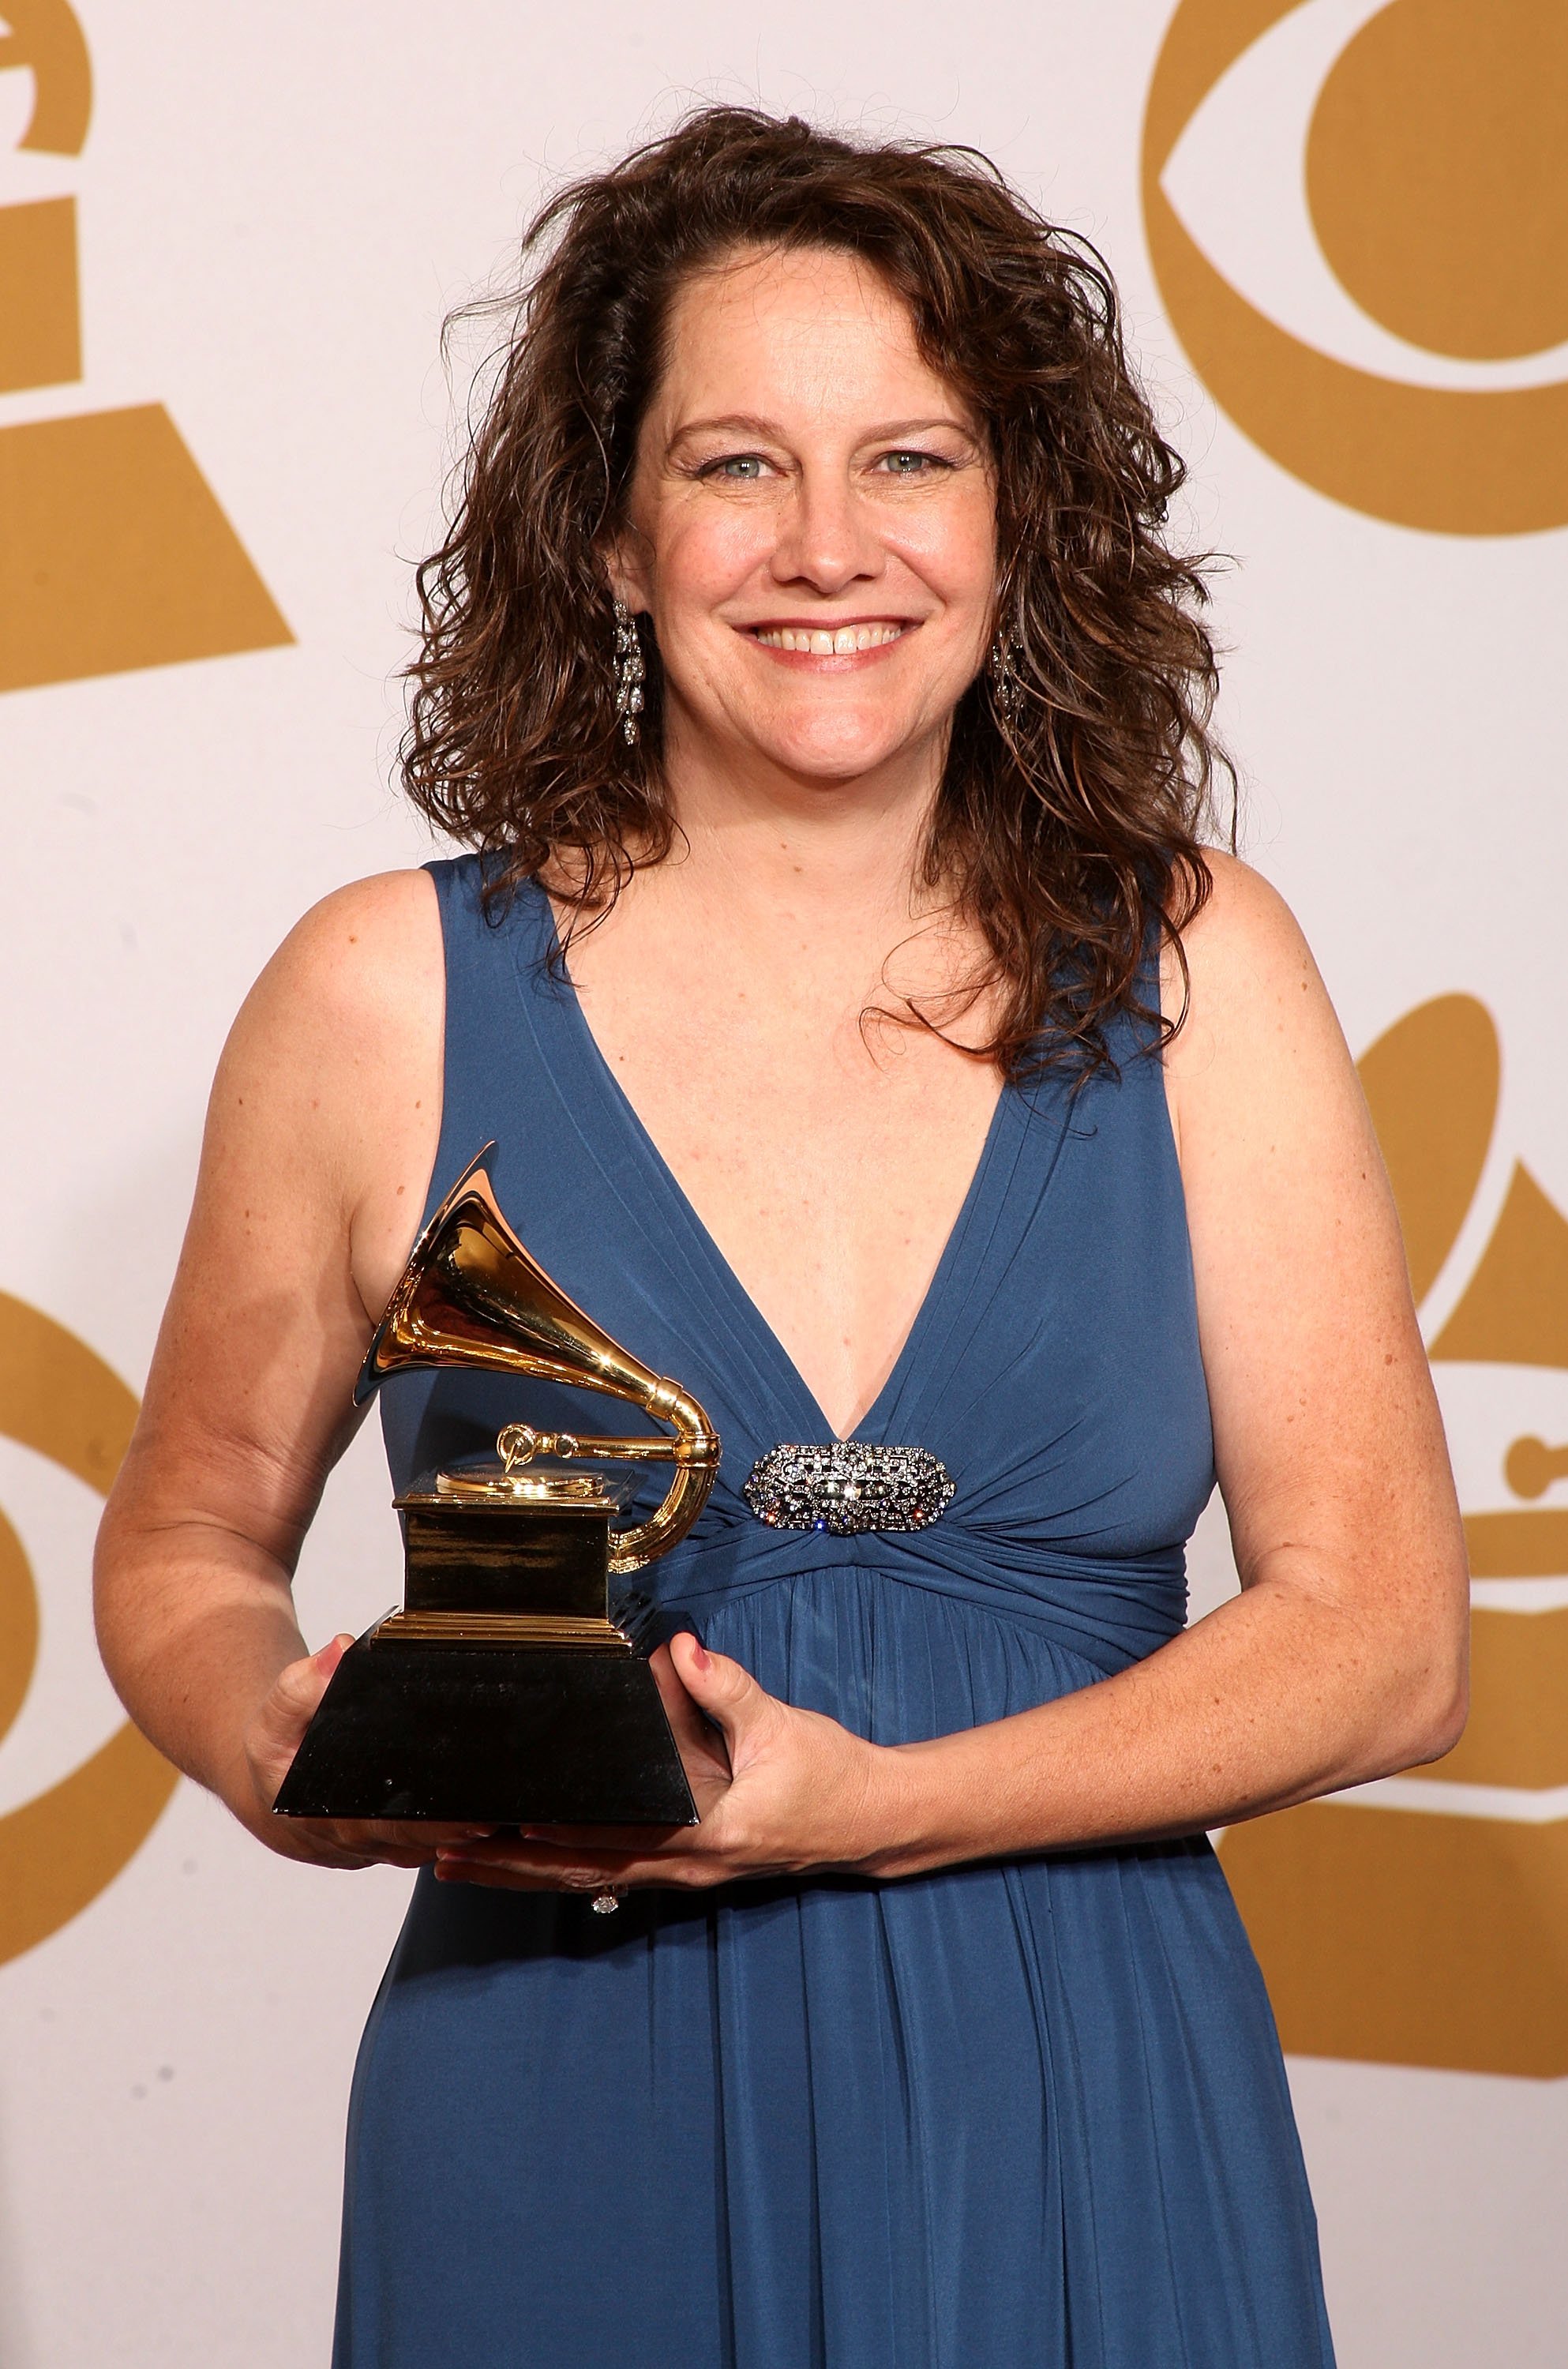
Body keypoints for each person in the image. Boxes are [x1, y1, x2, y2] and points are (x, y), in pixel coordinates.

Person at [96, 107, 1467, 2368]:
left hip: (1078, 2083)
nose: (827, 547)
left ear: (1014, 521)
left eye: (909, 460)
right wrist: (283, 1745)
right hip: (559, 2087)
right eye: (734, 465)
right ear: (615, 537)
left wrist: (879, 1812)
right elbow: (186, 1532)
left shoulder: (1202, 963)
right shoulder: (374, 990)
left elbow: (1390, 1639)